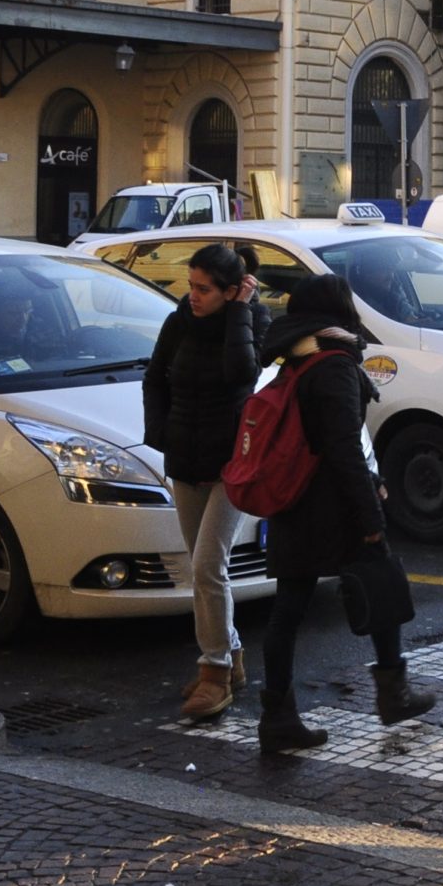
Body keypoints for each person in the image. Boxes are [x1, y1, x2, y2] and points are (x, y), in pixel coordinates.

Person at [253, 275, 436, 753]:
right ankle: (393, 692)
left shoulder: (296, 356)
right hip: (329, 504)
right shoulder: (332, 365)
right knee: (382, 582)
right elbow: (341, 448)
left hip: (296, 499)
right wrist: (371, 516)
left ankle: (277, 714)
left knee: (288, 609)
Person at [143, 241, 265, 721]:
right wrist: (161, 434)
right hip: (184, 457)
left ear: (231, 291)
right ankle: (229, 656)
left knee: (209, 565)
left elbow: (243, 373)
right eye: (190, 287)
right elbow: (155, 377)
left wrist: (239, 314)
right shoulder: (179, 322)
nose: (193, 296)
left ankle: (214, 670)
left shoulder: (252, 321)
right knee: (201, 566)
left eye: (204, 289)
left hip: (229, 464)